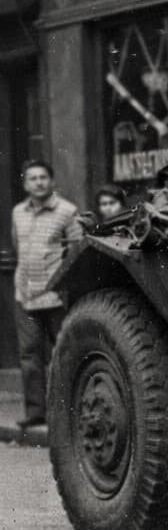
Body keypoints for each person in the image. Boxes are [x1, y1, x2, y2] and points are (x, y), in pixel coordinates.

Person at [11, 160, 82, 430]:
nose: (38, 182)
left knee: (64, 353)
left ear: (51, 182)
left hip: (55, 295)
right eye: (32, 178)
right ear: (25, 184)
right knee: (29, 355)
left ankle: (67, 413)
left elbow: (76, 250)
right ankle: (36, 413)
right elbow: (19, 247)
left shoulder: (67, 211)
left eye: (43, 177)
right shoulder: (18, 212)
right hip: (25, 294)